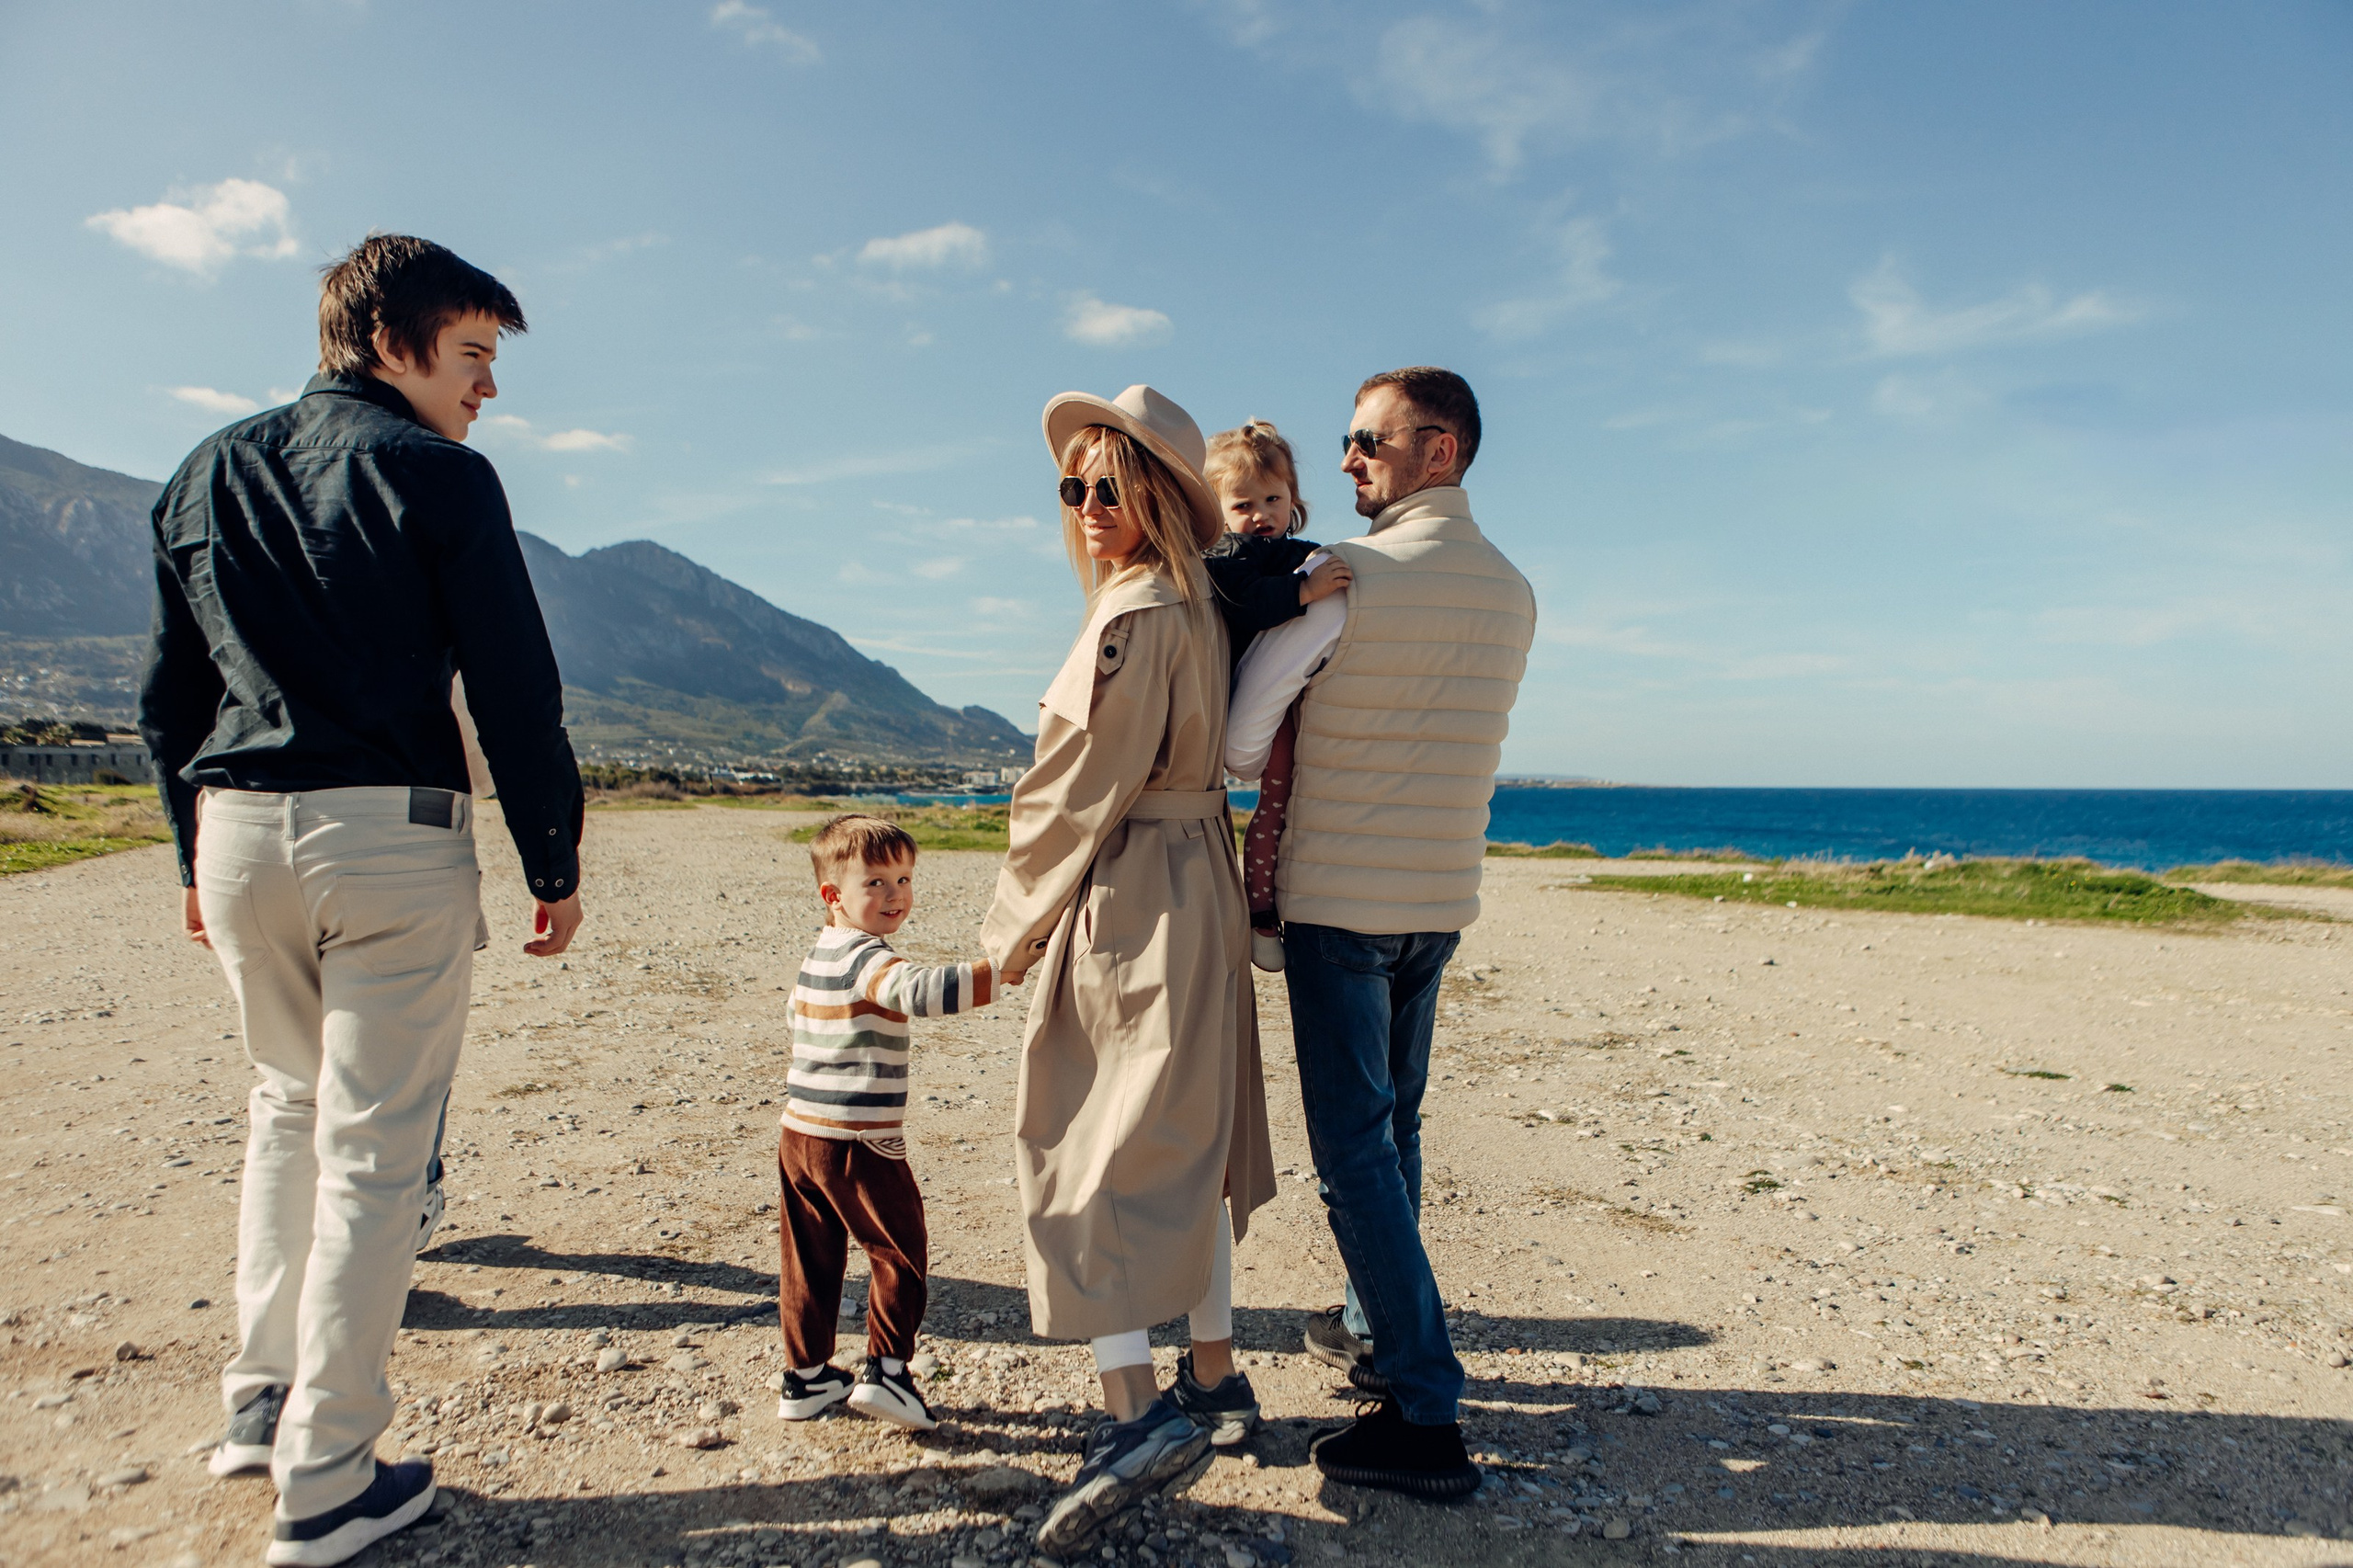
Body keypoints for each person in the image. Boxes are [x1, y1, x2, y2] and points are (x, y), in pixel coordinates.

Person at [138, 234, 585, 1567]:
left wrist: (185, 856)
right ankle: (329, 1476)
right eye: (474, 355)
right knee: (378, 1151)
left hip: (238, 833)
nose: (488, 387)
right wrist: (551, 858)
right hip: (385, 836)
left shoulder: (203, 470)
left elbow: (169, 700)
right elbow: (513, 683)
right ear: (389, 340)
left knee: (284, 1115)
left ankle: (260, 1401)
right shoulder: (439, 476)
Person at [1225, 367, 1535, 1499]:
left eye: (1367, 440)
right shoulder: (1514, 589)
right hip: (1437, 902)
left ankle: (1423, 1403)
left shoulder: (1345, 578)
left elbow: (1242, 745)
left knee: (1353, 1147)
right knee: (1395, 1129)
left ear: (1437, 449)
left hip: (1338, 906)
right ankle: (1370, 1328)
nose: (1346, 459)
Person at [980, 386, 1279, 1558]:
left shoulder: (1133, 616)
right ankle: (1215, 1380)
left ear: (1155, 492)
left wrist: (1007, 929)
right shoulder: (1196, 602)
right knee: (1185, 1140)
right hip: (1194, 879)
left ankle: (1132, 1411)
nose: (1090, 507)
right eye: (1075, 487)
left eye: (1111, 484)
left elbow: (1071, 793)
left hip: (1134, 891)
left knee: (1083, 1143)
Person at [775, 813, 1003, 1431]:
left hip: (801, 1134)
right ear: (833, 896)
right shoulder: (866, 958)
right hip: (858, 1138)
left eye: (904, 878)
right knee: (898, 1251)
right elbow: (916, 991)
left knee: (810, 1255)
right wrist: (997, 972)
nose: (896, 894)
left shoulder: (818, 954)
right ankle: (889, 1372)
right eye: (875, 882)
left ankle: (806, 1377)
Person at [1199, 421, 1349, 972]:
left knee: (1288, 798)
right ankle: (1259, 909)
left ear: (1293, 501)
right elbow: (1246, 602)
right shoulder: (1225, 557)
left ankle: (1290, 898)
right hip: (1245, 693)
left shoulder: (1294, 550)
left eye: (1273, 499)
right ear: (1215, 512)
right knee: (1274, 797)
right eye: (1243, 504)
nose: (1260, 514)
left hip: (1289, 697)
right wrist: (1305, 591)